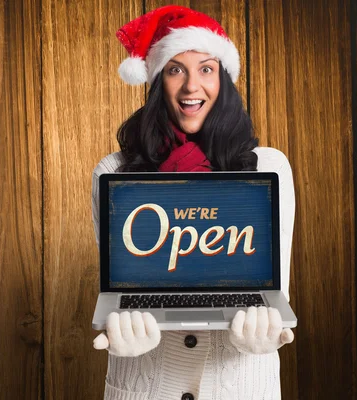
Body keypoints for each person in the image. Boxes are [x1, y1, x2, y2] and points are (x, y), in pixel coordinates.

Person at [91, 6, 296, 400]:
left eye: (205, 69)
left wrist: (267, 337)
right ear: (156, 82)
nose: (191, 87)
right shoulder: (114, 171)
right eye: (175, 69)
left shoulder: (269, 166)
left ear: (224, 78)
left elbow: (272, 290)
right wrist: (120, 331)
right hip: (146, 388)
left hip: (241, 387)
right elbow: (119, 286)